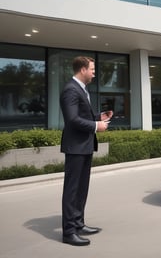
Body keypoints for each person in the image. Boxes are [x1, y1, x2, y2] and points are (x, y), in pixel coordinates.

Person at [60, 56, 113, 245]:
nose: (94, 73)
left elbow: (82, 115)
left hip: (85, 146)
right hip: (75, 147)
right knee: (72, 190)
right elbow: (72, 120)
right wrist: (96, 125)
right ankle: (68, 232)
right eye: (92, 69)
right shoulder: (70, 90)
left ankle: (78, 223)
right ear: (82, 69)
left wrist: (99, 116)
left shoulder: (82, 89)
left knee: (82, 189)